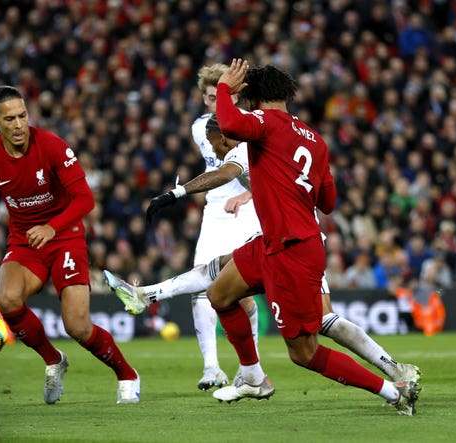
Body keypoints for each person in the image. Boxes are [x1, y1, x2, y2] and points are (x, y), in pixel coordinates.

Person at [104, 114, 420, 386]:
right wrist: (248, 197)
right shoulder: (273, 137)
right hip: (279, 237)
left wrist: (178, 192)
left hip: (295, 243)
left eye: (214, 143)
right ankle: (147, 297)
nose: (212, 150)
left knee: (322, 324)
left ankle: (394, 374)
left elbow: (225, 173)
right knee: (218, 273)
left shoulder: (247, 146)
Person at [206, 59, 420, 414]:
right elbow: (329, 202)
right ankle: (252, 377)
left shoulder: (264, 122)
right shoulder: (315, 139)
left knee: (304, 353)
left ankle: (393, 392)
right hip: (275, 242)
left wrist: (226, 87)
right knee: (221, 294)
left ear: (254, 97)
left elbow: (228, 122)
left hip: (291, 251)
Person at [0, 86, 139, 404]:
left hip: (65, 235)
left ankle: (127, 375)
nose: (18, 125)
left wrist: (51, 227)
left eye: (22, 116)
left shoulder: (52, 146)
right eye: (10, 119)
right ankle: (53, 360)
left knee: (77, 326)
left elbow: (86, 199)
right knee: (7, 300)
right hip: (24, 240)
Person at [141, 64, 261, 391]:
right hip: (214, 211)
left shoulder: (250, 125)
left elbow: (260, 170)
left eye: (218, 96)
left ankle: (251, 366)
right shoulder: (199, 129)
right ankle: (212, 367)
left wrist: (246, 195)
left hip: (248, 209)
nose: (213, 103)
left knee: (241, 293)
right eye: (208, 98)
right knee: (202, 284)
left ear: (234, 95)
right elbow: (215, 170)